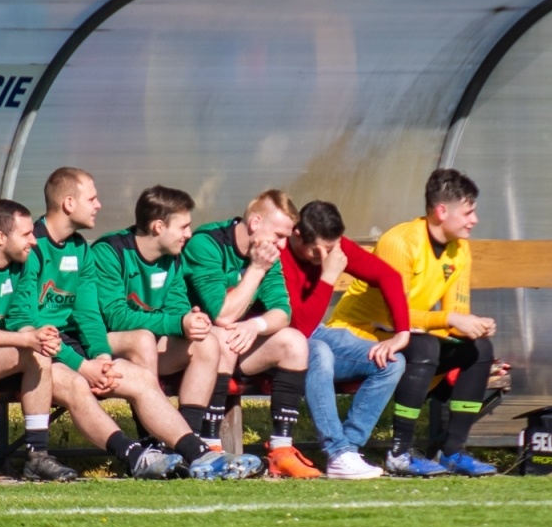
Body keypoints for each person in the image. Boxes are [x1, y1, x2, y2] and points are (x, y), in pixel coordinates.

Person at [9, 167, 229, 479]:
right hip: (33, 354)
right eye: (92, 198)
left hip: (70, 346)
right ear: (69, 203)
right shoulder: (31, 246)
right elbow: (27, 326)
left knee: (140, 379)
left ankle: (196, 455)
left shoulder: (80, 246)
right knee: (76, 384)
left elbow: (88, 314)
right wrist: (83, 367)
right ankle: (137, 457)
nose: (99, 205)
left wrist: (100, 355)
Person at [329, 169, 498, 477]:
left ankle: (453, 452)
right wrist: (449, 319)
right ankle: (399, 453)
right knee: (424, 346)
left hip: (405, 334)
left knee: (480, 350)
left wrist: (473, 325)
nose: (474, 220)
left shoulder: (460, 247)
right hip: (358, 332)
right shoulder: (401, 241)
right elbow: (396, 313)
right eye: (469, 212)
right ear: (442, 211)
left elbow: (454, 313)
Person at [182, 190, 314, 478]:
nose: (282, 245)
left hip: (234, 345)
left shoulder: (269, 256)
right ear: (255, 222)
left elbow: (283, 312)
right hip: (189, 349)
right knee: (223, 336)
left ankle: (281, 450)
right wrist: (255, 269)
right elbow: (222, 314)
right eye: (279, 235)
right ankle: (210, 445)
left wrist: (255, 325)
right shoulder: (206, 244)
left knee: (295, 342)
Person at [0, 197, 80, 482]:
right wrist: (24, 340)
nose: (34, 241)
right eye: (26, 234)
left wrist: (35, 336)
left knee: (40, 351)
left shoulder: (25, 262)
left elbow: (21, 317)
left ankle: (37, 456)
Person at [280, 200, 408, 480]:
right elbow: (299, 327)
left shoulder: (333, 247)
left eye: (331, 249)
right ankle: (337, 452)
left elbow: (389, 276)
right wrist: (328, 276)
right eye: (318, 250)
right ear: (297, 234)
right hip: (279, 341)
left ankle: (348, 449)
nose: (325, 256)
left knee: (392, 361)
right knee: (319, 352)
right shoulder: (279, 251)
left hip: (315, 332)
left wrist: (402, 333)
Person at [92, 185, 225, 449]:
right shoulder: (109, 252)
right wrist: (177, 323)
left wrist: (192, 320)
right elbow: (114, 317)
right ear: (158, 227)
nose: (189, 234)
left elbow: (177, 307)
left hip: (150, 348)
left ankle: (187, 440)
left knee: (207, 343)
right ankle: (153, 442)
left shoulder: (172, 258)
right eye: (183, 227)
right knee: (142, 339)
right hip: (102, 350)